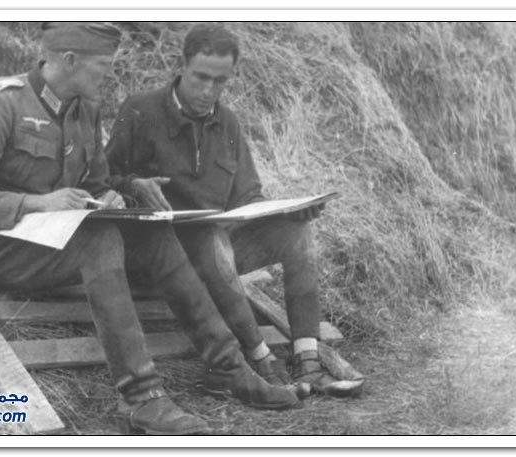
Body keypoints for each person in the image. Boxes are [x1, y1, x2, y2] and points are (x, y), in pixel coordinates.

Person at [0, 22, 299, 436]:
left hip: (48, 243)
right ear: (69, 60)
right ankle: (141, 397)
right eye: (103, 65)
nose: (109, 74)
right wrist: (37, 203)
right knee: (99, 239)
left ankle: (228, 368)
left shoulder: (85, 109)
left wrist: (118, 192)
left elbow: (95, 184)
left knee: (153, 234)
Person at [106, 23, 363, 397]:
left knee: (296, 234)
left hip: (217, 255)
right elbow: (101, 180)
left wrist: (285, 213)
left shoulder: (227, 123)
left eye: (220, 82)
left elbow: (248, 197)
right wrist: (133, 185)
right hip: (158, 259)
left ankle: (307, 360)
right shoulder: (141, 110)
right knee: (210, 238)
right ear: (181, 66)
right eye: (201, 77)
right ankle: (260, 359)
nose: (208, 91)